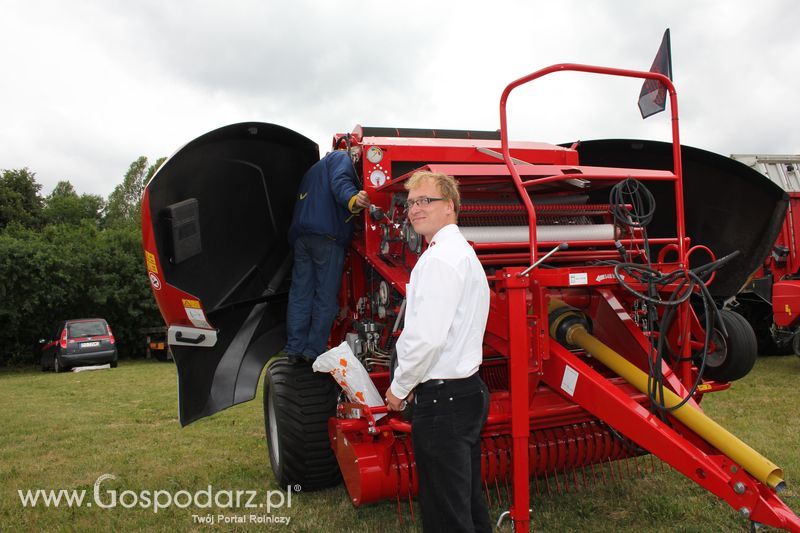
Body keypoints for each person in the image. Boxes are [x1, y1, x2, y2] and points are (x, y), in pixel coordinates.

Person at [385, 171, 491, 532]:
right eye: (411, 203)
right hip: (467, 392)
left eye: (425, 201)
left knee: (446, 515)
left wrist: (399, 387)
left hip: (443, 402)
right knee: (466, 504)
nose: (415, 209)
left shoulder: (439, 260)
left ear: (449, 206)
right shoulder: (463, 253)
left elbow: (427, 338)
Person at [283, 149, 370, 363]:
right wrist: (354, 200)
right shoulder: (340, 157)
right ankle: (313, 351)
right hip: (327, 236)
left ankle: (294, 349)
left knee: (300, 294)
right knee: (325, 296)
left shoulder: (312, 171)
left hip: (302, 238)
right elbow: (340, 182)